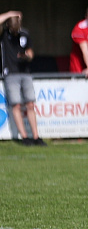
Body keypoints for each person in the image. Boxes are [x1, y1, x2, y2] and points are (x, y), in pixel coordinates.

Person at [0, 11, 46, 146]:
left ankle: (36, 137)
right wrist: (9, 14)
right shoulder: (3, 34)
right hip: (10, 73)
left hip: (25, 72)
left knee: (30, 104)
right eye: (13, 29)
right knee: (16, 105)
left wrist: (27, 56)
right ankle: (25, 138)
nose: (15, 31)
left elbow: (31, 52)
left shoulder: (25, 33)